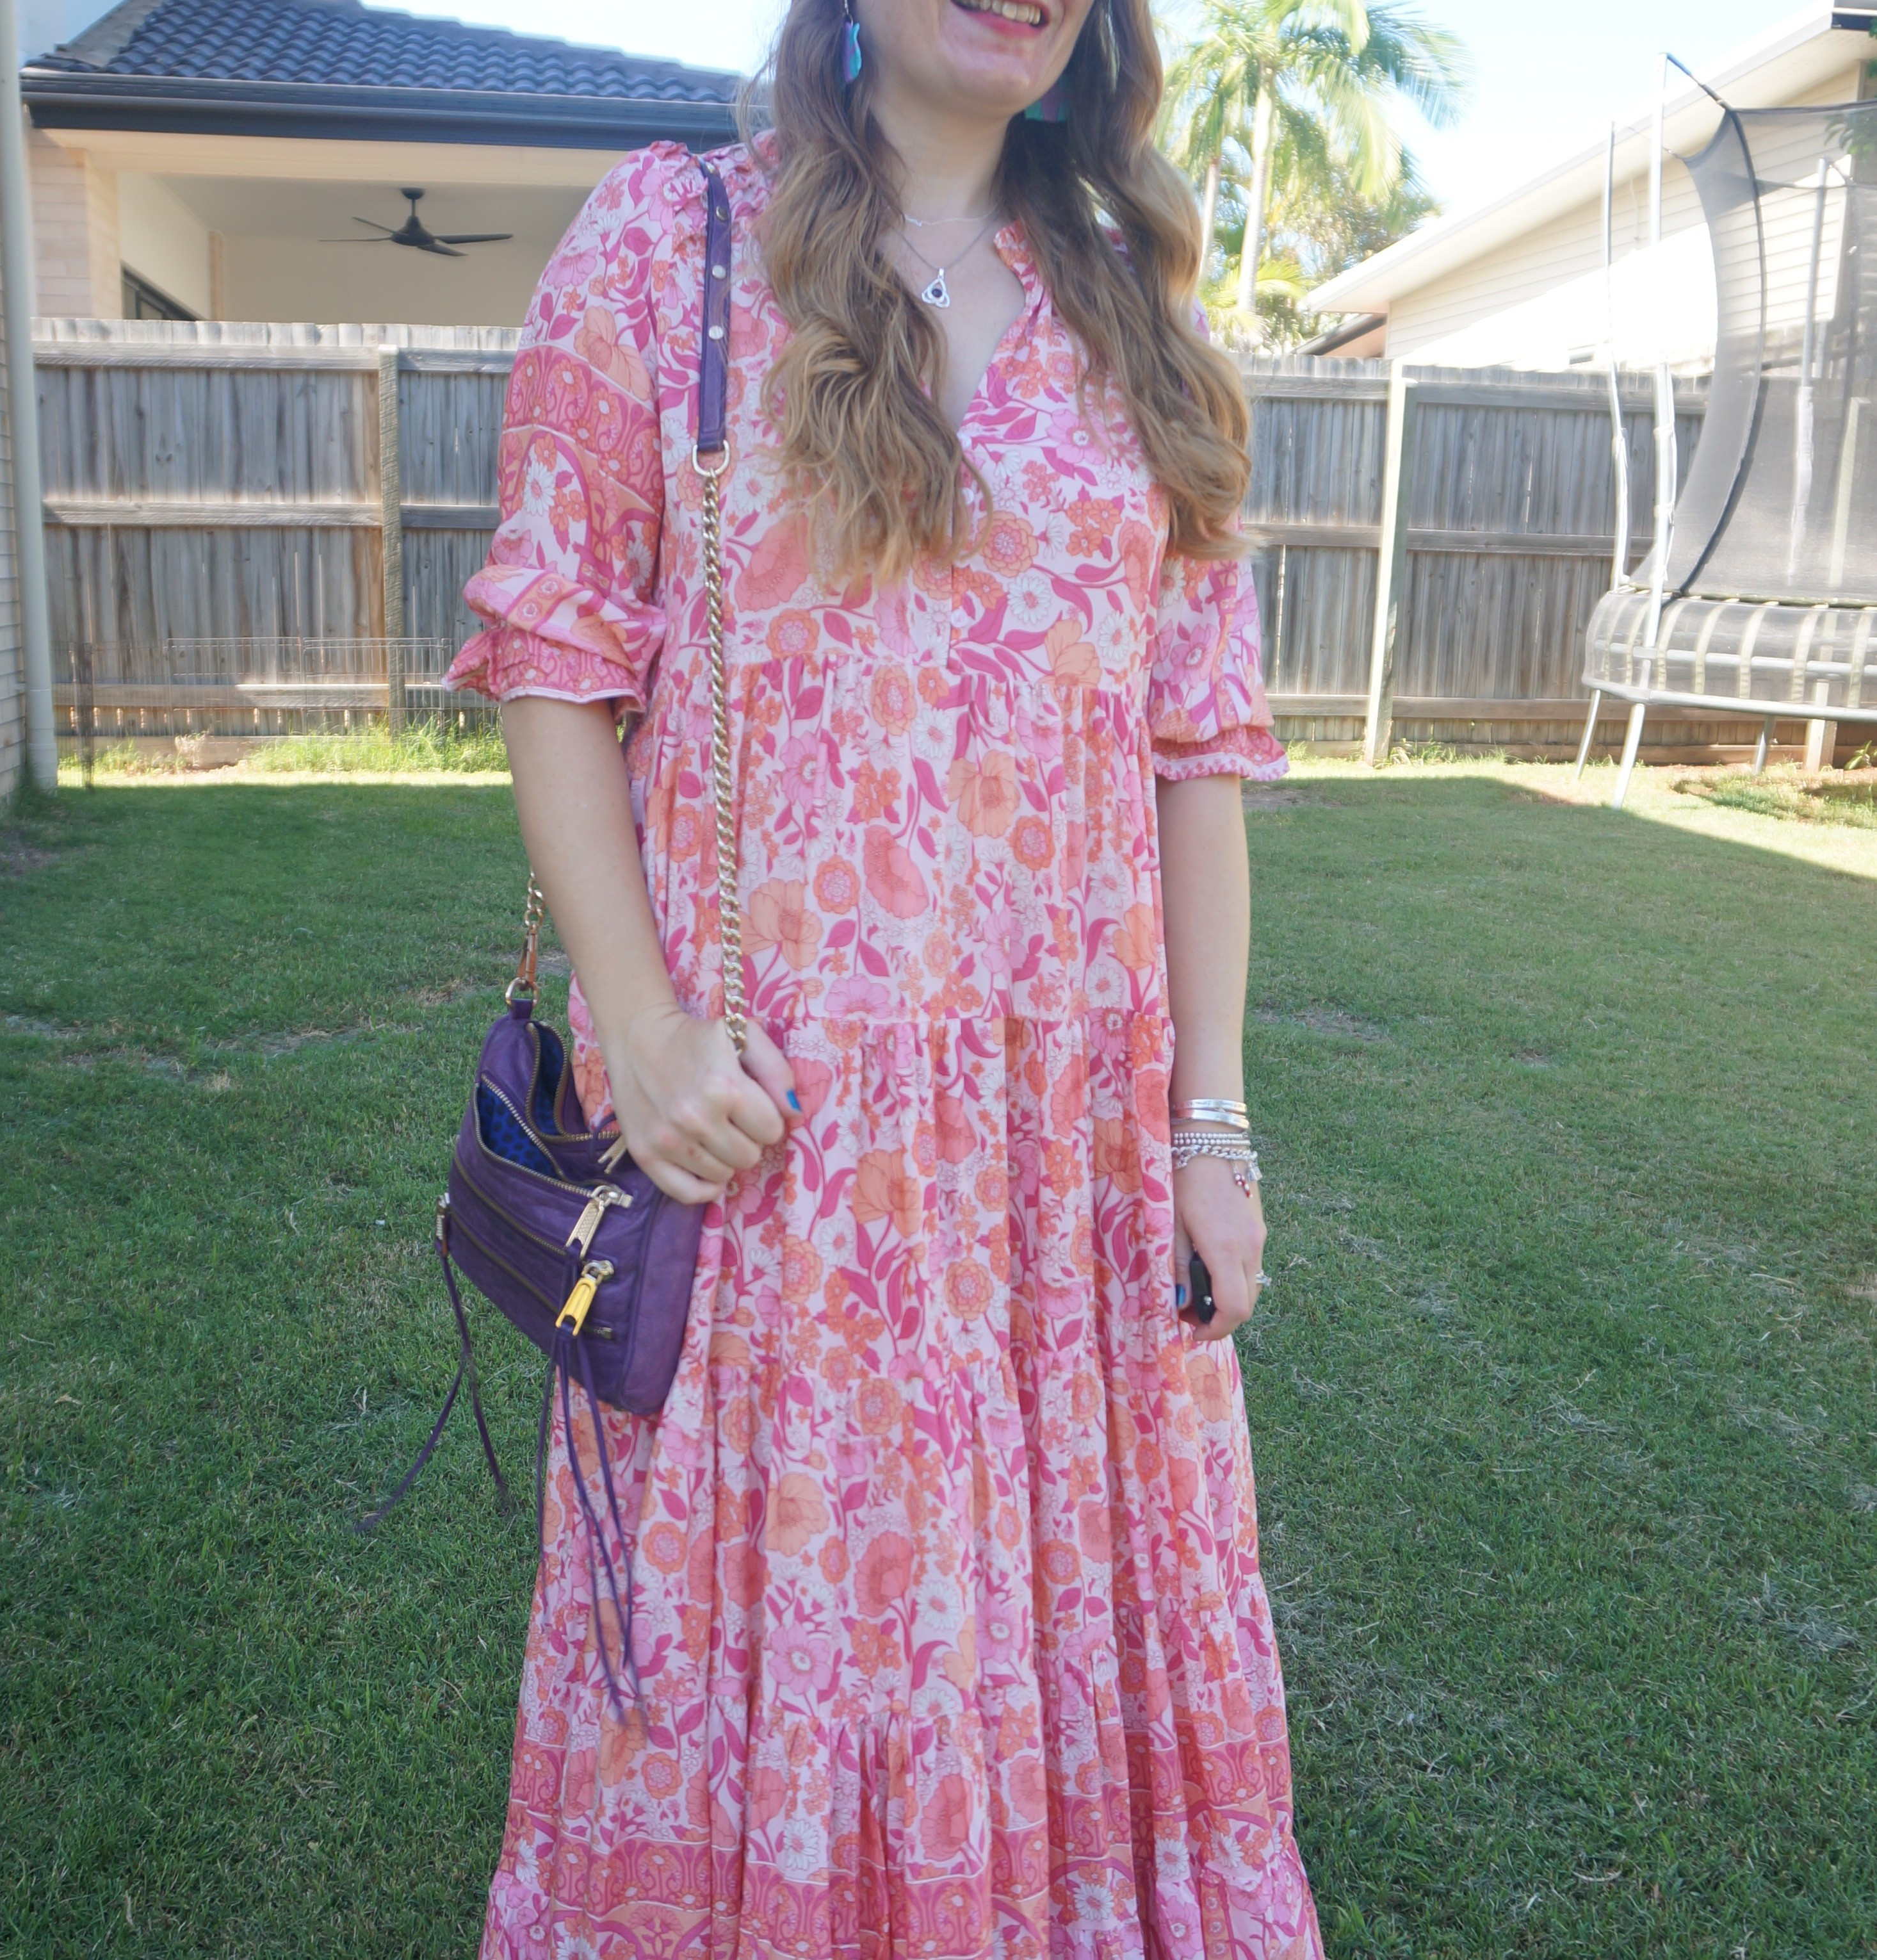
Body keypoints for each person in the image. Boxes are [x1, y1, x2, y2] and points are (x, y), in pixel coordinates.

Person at [446, 0, 1321, 1951]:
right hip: (778, 1156)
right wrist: (647, 1029)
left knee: (1066, 1639)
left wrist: (1214, 1125)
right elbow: (555, 664)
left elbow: (1196, 759)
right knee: (786, 1636)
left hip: (1063, 1170)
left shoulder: (1129, 319)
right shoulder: (672, 248)